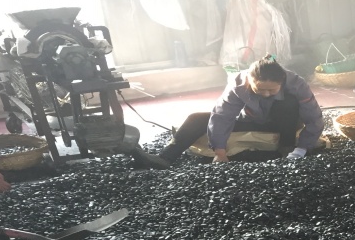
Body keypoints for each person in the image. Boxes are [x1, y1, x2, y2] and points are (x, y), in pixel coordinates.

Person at [134, 55, 324, 169]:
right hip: (251, 120)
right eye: (260, 89)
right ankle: (165, 158)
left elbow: (314, 117)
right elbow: (222, 115)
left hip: (284, 123)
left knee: (288, 103)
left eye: (272, 90)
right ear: (250, 81)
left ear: (282, 81)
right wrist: (219, 151)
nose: (266, 94)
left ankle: (286, 149)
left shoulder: (296, 83)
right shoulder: (238, 84)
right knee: (195, 119)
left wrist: (302, 148)